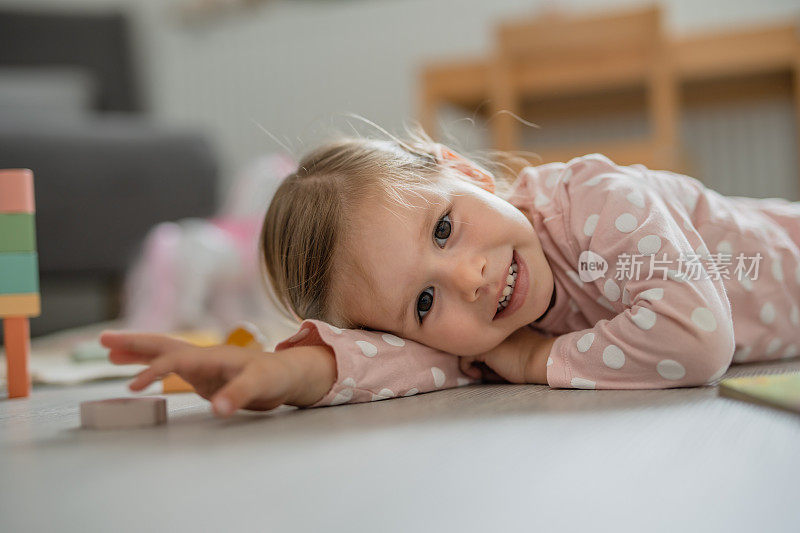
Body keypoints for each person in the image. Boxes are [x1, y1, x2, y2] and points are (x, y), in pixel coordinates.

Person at [101, 127, 800, 417]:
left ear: (463, 170)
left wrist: (534, 360)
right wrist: (288, 374)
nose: (467, 277)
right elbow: (403, 361)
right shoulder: (475, 330)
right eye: (424, 300)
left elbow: (700, 339)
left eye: (444, 226)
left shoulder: (595, 200)